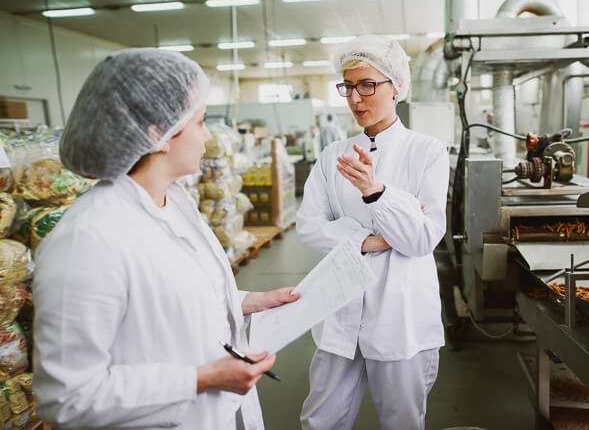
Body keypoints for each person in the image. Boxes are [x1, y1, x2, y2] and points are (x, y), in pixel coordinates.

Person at [32, 48, 298, 429]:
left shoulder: (173, 200)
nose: (208, 135)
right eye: (201, 122)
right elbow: (67, 398)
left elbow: (168, 298)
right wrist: (202, 378)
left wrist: (247, 302)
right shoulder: (87, 241)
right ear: (159, 134)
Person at [296, 35, 449, 430]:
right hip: (339, 310)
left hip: (401, 316)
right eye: (348, 86)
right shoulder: (333, 156)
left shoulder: (427, 151)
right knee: (320, 420)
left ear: (396, 86)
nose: (354, 98)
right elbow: (308, 228)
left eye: (367, 85)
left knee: (402, 421)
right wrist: (367, 240)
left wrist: (376, 192)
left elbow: (421, 238)